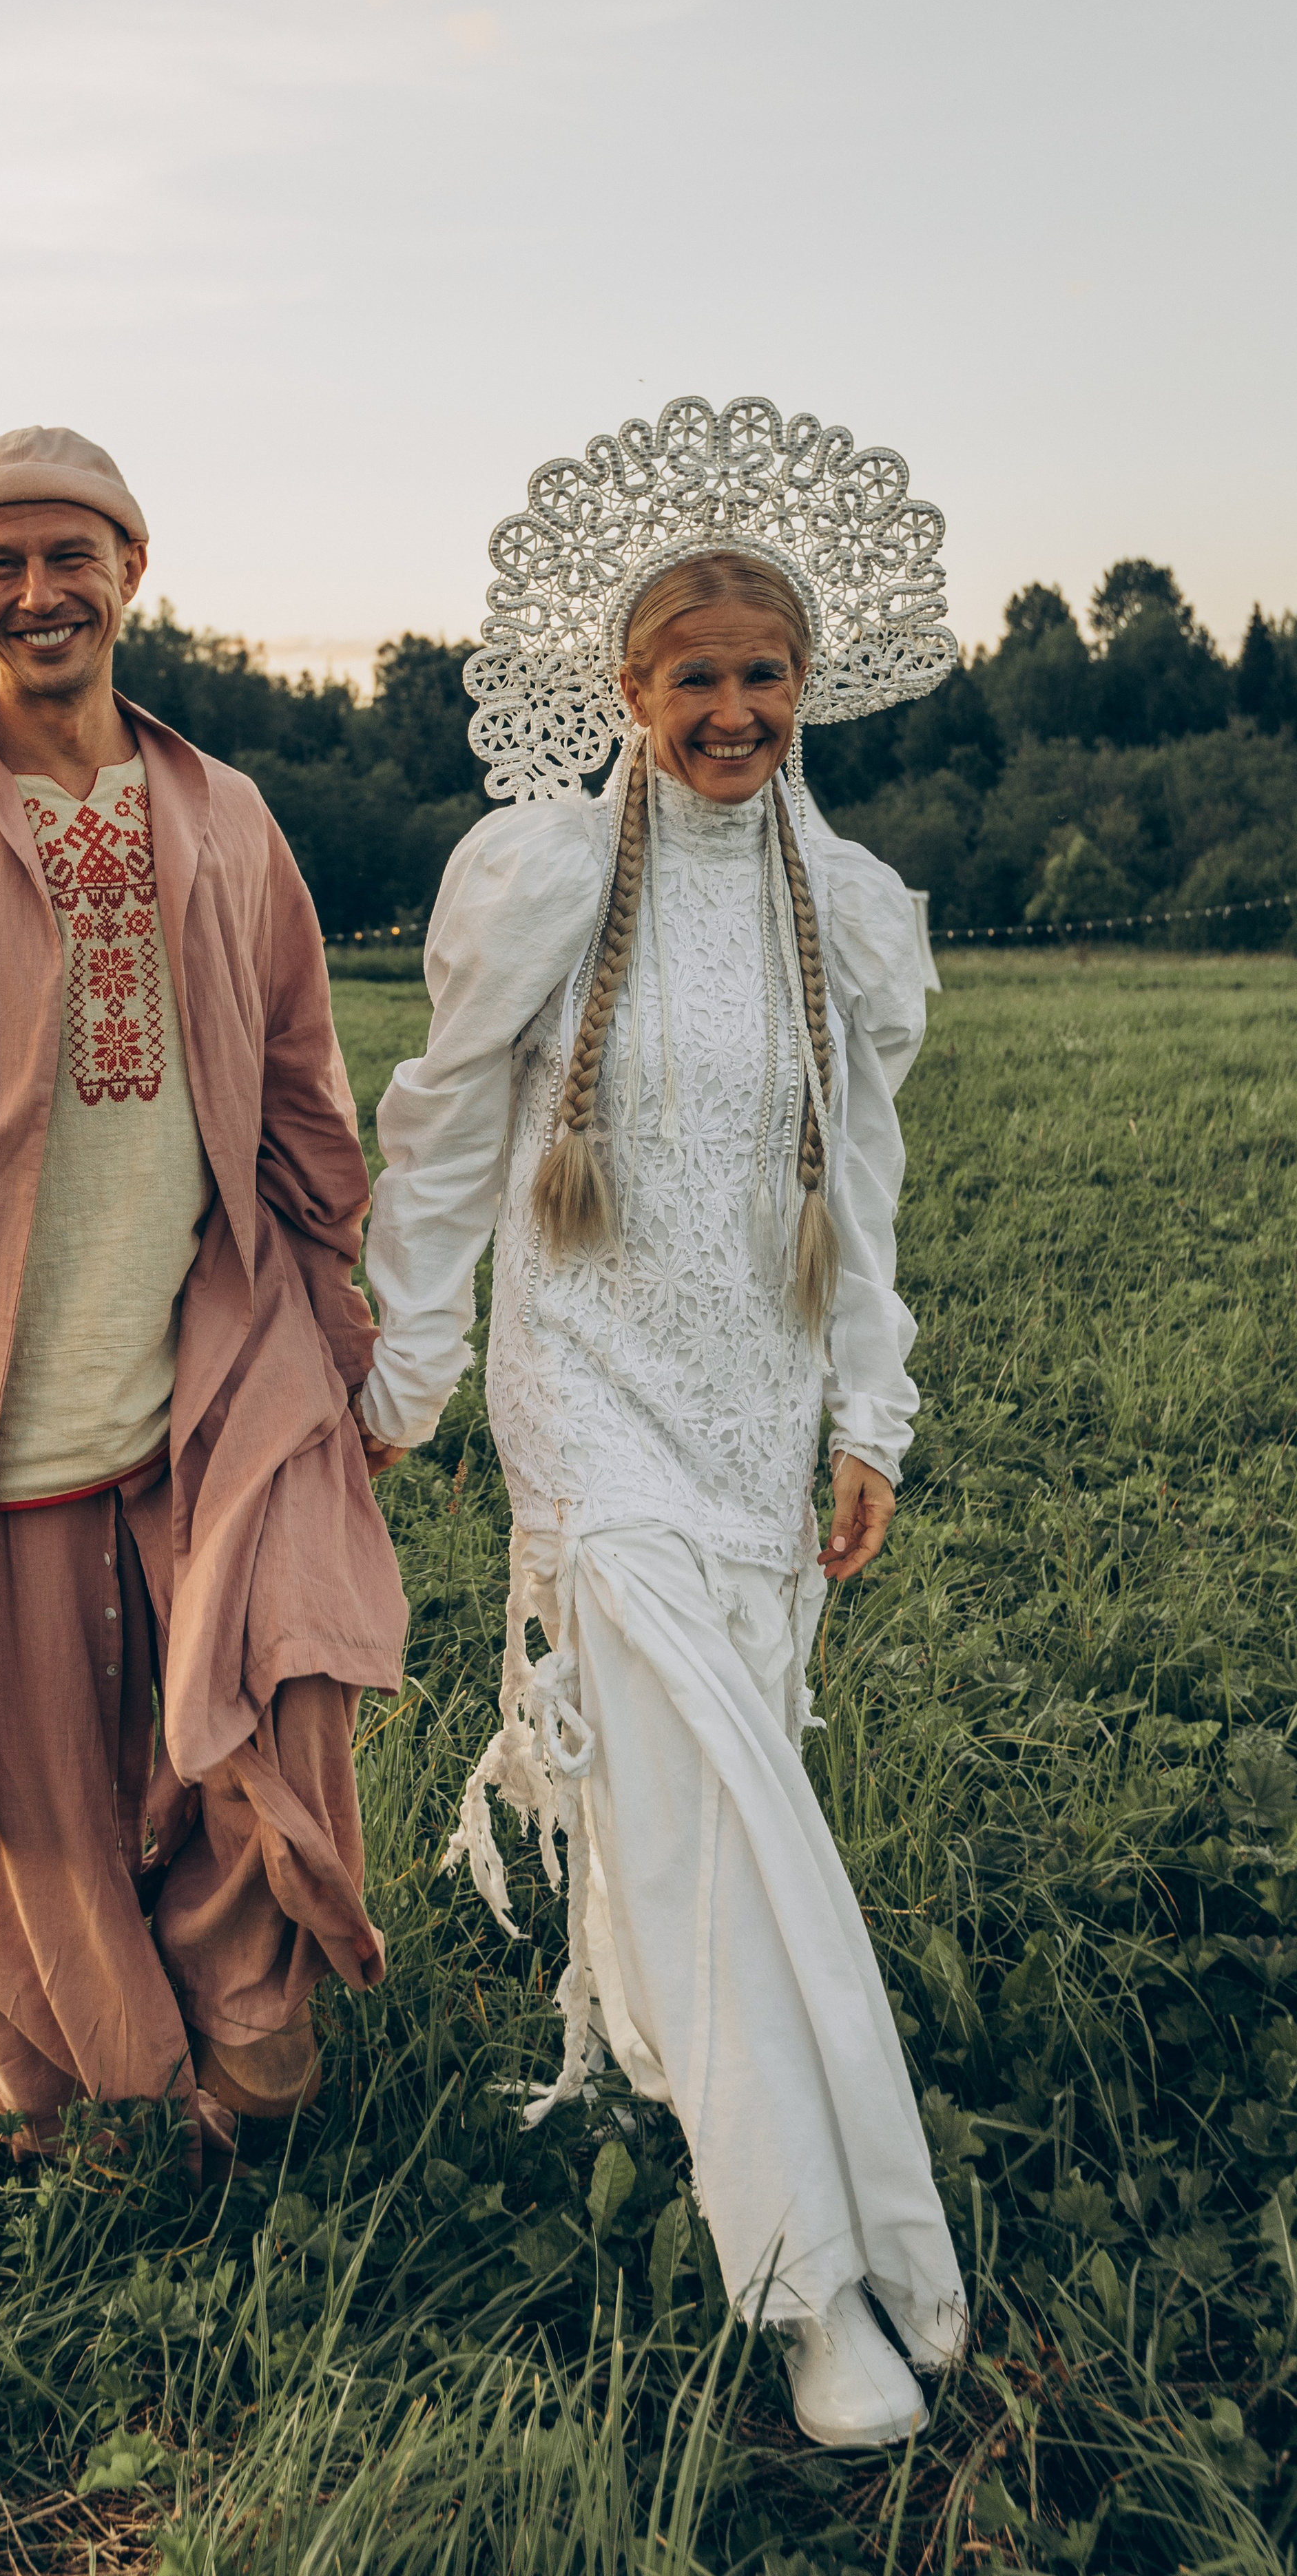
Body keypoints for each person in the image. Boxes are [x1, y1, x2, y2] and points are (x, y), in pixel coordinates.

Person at [355, 396, 967, 2446]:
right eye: (695, 678)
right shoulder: (542, 878)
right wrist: (411, 1364)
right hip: (590, 1399)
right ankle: (817, 2277)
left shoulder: (847, 908)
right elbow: (441, 1138)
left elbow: (861, 1185)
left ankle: (652, 2033)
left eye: (763, 676)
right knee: (719, 1796)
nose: (733, 710)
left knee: (719, 1774)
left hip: (757, 1404)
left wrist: (867, 1413)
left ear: (808, 690)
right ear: (628, 690)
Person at [0, 424, 406, 2164]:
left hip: (210, 1382)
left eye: (72, 556)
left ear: (132, 573)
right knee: (28, 1797)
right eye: (3, 564)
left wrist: (342, 1332)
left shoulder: (224, 818)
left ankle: (244, 2039)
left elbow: (297, 1085)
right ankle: (82, 2097)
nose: (39, 593)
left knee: (257, 1720)